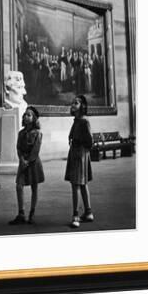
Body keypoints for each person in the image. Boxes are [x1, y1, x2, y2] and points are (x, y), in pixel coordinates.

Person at [8, 106, 45, 225]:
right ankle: (21, 213)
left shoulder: (38, 133)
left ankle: (32, 213)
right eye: (25, 114)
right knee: (19, 185)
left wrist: (27, 161)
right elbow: (18, 147)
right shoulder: (21, 133)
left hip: (33, 163)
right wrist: (21, 159)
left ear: (34, 118)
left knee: (34, 187)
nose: (25, 116)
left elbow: (36, 150)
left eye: (29, 115)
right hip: (23, 162)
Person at [64, 95, 94, 228]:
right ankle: (88, 212)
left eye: (76, 103)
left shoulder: (83, 121)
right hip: (76, 153)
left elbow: (90, 141)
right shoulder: (76, 120)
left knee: (76, 185)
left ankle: (76, 215)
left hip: (79, 155)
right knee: (81, 184)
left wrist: (79, 145)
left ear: (82, 106)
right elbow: (72, 135)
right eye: (72, 103)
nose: (73, 105)